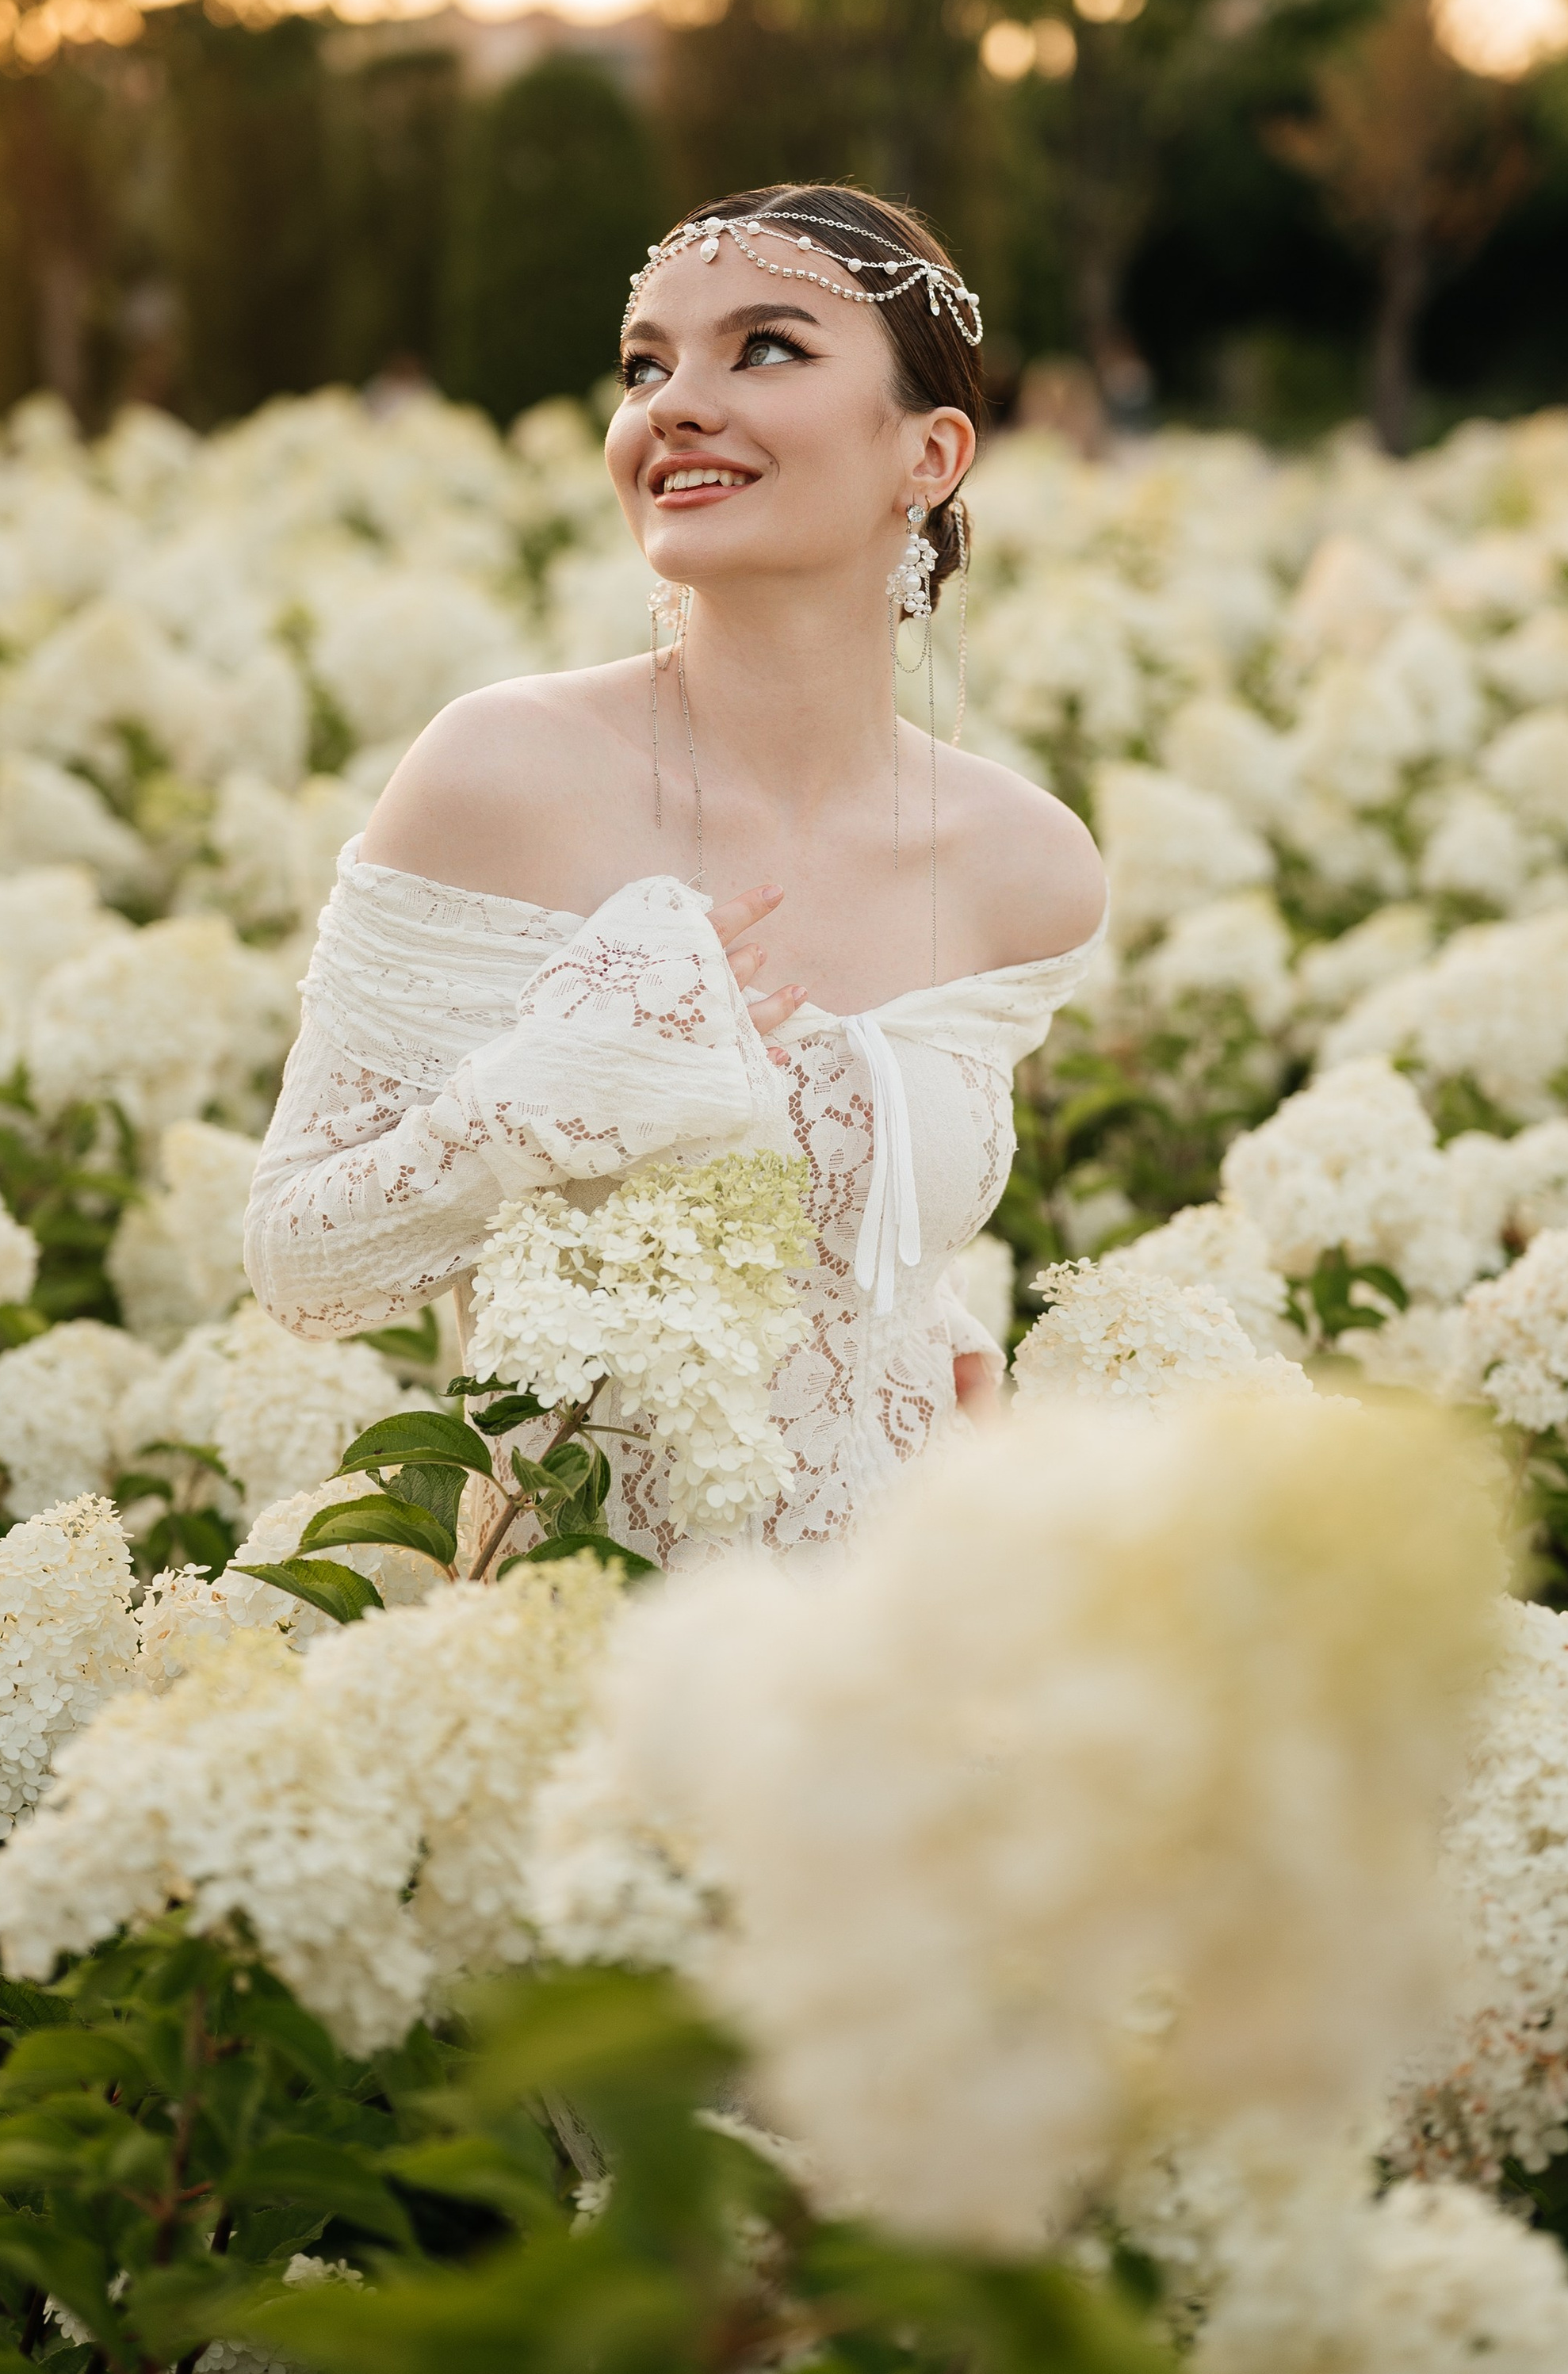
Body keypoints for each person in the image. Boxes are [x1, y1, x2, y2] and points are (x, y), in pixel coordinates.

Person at [245, 183, 1106, 1566]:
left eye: (766, 348)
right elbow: (300, 1263)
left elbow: (871, 1225)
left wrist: (946, 1351)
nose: (676, 406)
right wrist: (546, 1097)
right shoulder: (497, 773)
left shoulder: (1028, 867)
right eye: (648, 365)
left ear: (930, 453)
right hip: (592, 1657)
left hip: (919, 1647)